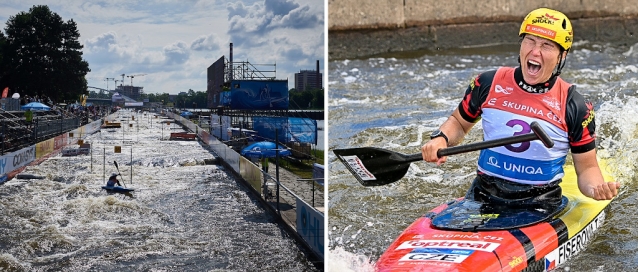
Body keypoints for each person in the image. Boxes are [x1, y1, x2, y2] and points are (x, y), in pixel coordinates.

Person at [420, 8, 620, 209]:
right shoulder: (488, 83)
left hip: (539, 203)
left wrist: (596, 189)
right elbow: (459, 124)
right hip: (482, 195)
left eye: (546, 45)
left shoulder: (575, 105)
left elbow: (587, 169)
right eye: (530, 41)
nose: (535, 51)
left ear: (561, 56)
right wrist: (441, 137)